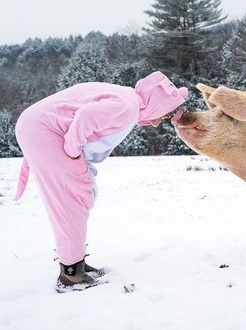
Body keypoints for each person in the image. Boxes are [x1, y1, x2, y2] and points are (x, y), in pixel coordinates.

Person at [14, 71, 188, 292]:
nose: (157, 123)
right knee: (72, 199)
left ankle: (75, 263)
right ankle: (71, 274)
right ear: (156, 102)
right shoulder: (127, 106)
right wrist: (72, 151)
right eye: (163, 115)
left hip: (39, 127)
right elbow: (86, 117)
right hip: (45, 131)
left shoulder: (128, 100)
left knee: (78, 196)